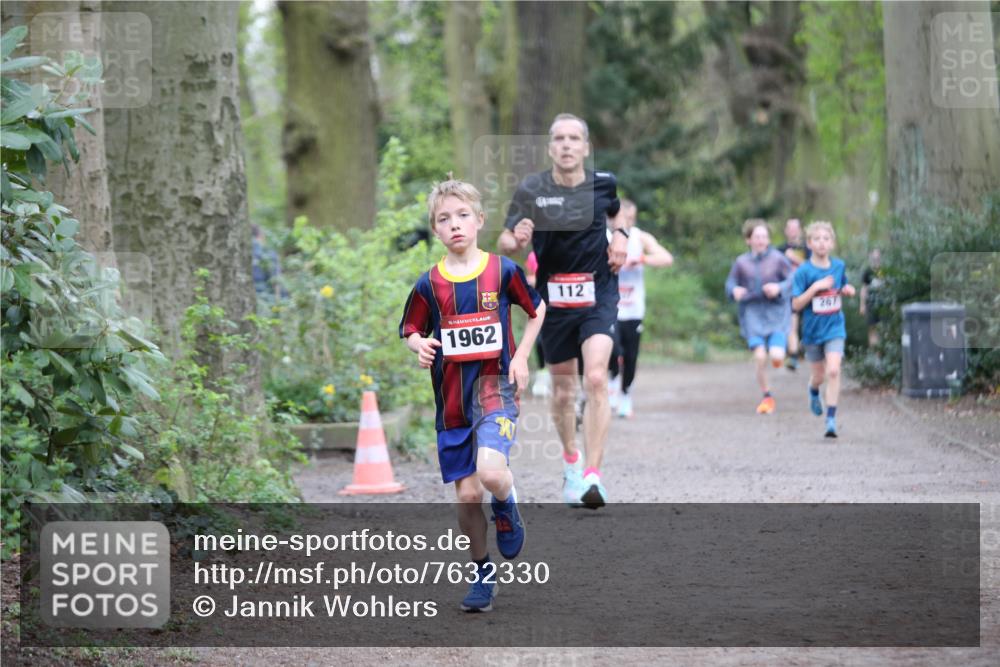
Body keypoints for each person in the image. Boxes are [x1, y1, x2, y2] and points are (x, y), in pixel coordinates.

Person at [400, 179, 545, 612]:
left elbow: (536, 312)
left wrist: (520, 359)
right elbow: (410, 328)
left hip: (495, 388)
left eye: (463, 215)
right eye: (444, 219)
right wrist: (417, 345)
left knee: (492, 473)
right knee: (466, 496)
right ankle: (483, 573)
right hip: (452, 404)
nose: (455, 225)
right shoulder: (430, 284)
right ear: (435, 230)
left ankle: (507, 504)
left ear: (480, 221)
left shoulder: (502, 271)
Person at [497, 112, 627, 510]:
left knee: (597, 378)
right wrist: (515, 240)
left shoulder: (603, 183)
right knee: (563, 389)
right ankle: (571, 461)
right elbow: (505, 238)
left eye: (574, 138)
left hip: (598, 295)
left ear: (586, 147)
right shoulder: (531, 189)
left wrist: (620, 236)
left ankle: (593, 475)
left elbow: (616, 211)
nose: (567, 145)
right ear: (550, 147)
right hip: (552, 302)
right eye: (559, 138)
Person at [607, 199, 673, 418]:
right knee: (613, 350)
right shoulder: (606, 237)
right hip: (610, 307)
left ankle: (626, 395)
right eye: (624, 217)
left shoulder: (640, 237)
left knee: (631, 355)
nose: (629, 221)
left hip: (634, 308)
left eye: (632, 217)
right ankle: (613, 378)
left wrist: (641, 259)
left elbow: (666, 258)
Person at [791, 221, 856, 438]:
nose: (821, 243)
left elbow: (842, 285)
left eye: (826, 239)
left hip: (835, 328)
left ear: (832, 243)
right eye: (817, 239)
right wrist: (815, 288)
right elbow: (796, 304)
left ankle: (831, 419)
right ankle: (813, 390)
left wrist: (847, 289)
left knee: (834, 370)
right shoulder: (804, 271)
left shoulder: (838, 266)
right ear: (809, 243)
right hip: (812, 332)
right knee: (818, 376)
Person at [725, 219, 795, 414]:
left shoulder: (778, 258)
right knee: (759, 357)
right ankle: (767, 397)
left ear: (769, 239)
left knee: (776, 356)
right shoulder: (741, 262)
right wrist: (735, 291)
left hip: (776, 314)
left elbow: (791, 280)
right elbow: (730, 284)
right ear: (748, 240)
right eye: (757, 237)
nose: (761, 240)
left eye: (764, 237)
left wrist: (778, 288)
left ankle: (780, 358)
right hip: (752, 314)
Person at [776, 218, 810, 370]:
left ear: (800, 230)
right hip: (789, 293)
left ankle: (812, 352)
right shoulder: (779, 250)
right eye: (790, 228)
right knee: (792, 323)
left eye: (795, 228)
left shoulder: (808, 248)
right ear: (785, 231)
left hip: (808, 291)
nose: (793, 231)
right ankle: (794, 356)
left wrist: (794, 258)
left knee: (809, 325)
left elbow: (813, 268)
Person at [525, 251, 552, 397]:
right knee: (540, 341)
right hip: (539, 303)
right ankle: (542, 375)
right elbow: (531, 278)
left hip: (557, 305)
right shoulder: (532, 255)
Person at [860, 248, 883, 347]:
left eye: (877, 256)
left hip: (883, 304)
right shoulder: (868, 272)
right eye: (874, 256)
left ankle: (882, 351)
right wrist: (862, 305)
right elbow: (864, 289)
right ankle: (873, 352)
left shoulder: (884, 270)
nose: (875, 258)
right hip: (871, 304)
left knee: (882, 328)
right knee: (872, 328)